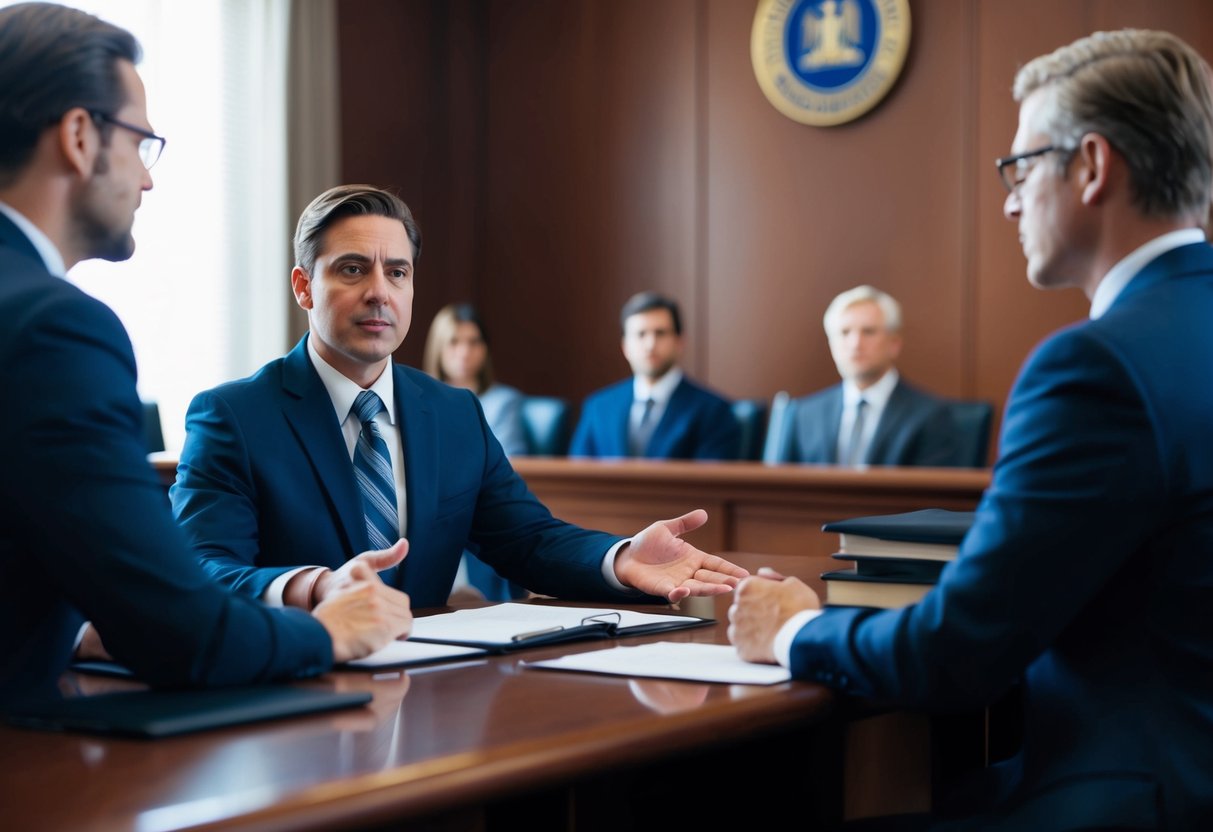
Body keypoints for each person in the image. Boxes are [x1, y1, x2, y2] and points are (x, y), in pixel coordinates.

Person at [729, 28, 1213, 829]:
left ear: (1091, 167)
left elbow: (952, 657)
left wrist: (793, 629)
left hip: (1130, 797)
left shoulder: (1093, 370)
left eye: (1020, 167)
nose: (1009, 200)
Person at [0, 2, 409, 710]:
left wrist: (74, 630)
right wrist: (327, 632)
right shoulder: (54, 328)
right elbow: (181, 632)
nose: (148, 179)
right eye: (140, 142)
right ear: (77, 136)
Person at [170, 184, 748, 614]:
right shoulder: (233, 417)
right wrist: (315, 586)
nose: (378, 292)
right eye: (351, 269)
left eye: (397, 273)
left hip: (432, 693)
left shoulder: (453, 413)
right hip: (298, 688)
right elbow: (202, 571)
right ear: (303, 286)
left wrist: (620, 558)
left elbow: (525, 540)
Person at [778, 285, 963, 467]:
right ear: (831, 344)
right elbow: (781, 491)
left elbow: (931, 495)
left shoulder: (930, 416)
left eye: (868, 332)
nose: (855, 343)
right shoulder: (804, 414)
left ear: (894, 344)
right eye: (844, 332)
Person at [421, 302, 527, 601]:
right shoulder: (419, 400)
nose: (464, 351)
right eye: (455, 342)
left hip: (478, 503)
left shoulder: (503, 401)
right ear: (439, 347)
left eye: (473, 342)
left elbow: (508, 462)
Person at [569, 291, 741, 460]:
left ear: (679, 342)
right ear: (625, 347)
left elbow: (711, 484)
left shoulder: (714, 411)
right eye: (640, 334)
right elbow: (576, 478)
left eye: (660, 333)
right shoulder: (599, 407)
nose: (650, 344)